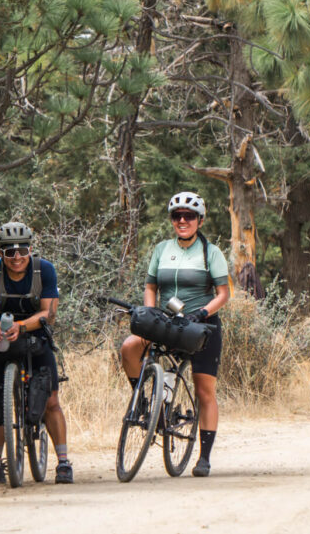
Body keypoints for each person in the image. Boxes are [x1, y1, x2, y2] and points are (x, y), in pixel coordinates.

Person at [120, 192, 231, 477]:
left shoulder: (211, 252)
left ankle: (204, 458)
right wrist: (148, 314)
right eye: (177, 216)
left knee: (205, 391)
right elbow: (151, 286)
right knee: (130, 347)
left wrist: (203, 313)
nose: (182, 220)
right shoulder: (161, 249)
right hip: (166, 322)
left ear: (200, 220)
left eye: (189, 216)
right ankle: (146, 401)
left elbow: (223, 294)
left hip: (201, 326)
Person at [0, 222, 72, 485]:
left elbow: (49, 313)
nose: (17, 258)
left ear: (31, 249)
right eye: (9, 252)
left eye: (22, 251)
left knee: (51, 402)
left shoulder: (44, 270)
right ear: (0, 252)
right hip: (1, 336)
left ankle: (63, 463)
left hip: (35, 334)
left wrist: (21, 326)